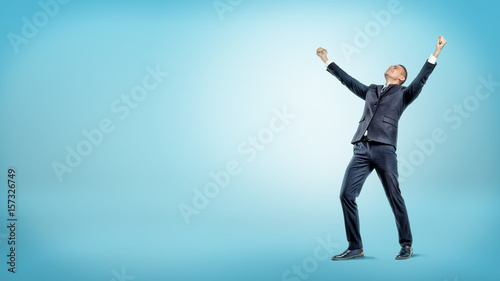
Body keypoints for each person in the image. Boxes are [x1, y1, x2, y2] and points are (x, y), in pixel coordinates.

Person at [316, 35, 447, 260]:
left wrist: (435, 53)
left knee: (394, 195)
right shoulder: (371, 90)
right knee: (346, 194)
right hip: (361, 149)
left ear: (401, 77)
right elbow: (348, 80)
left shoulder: (404, 93)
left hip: (384, 150)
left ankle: (406, 244)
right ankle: (355, 246)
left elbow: (421, 79)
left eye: (396, 67)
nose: (391, 67)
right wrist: (327, 60)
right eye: (391, 65)